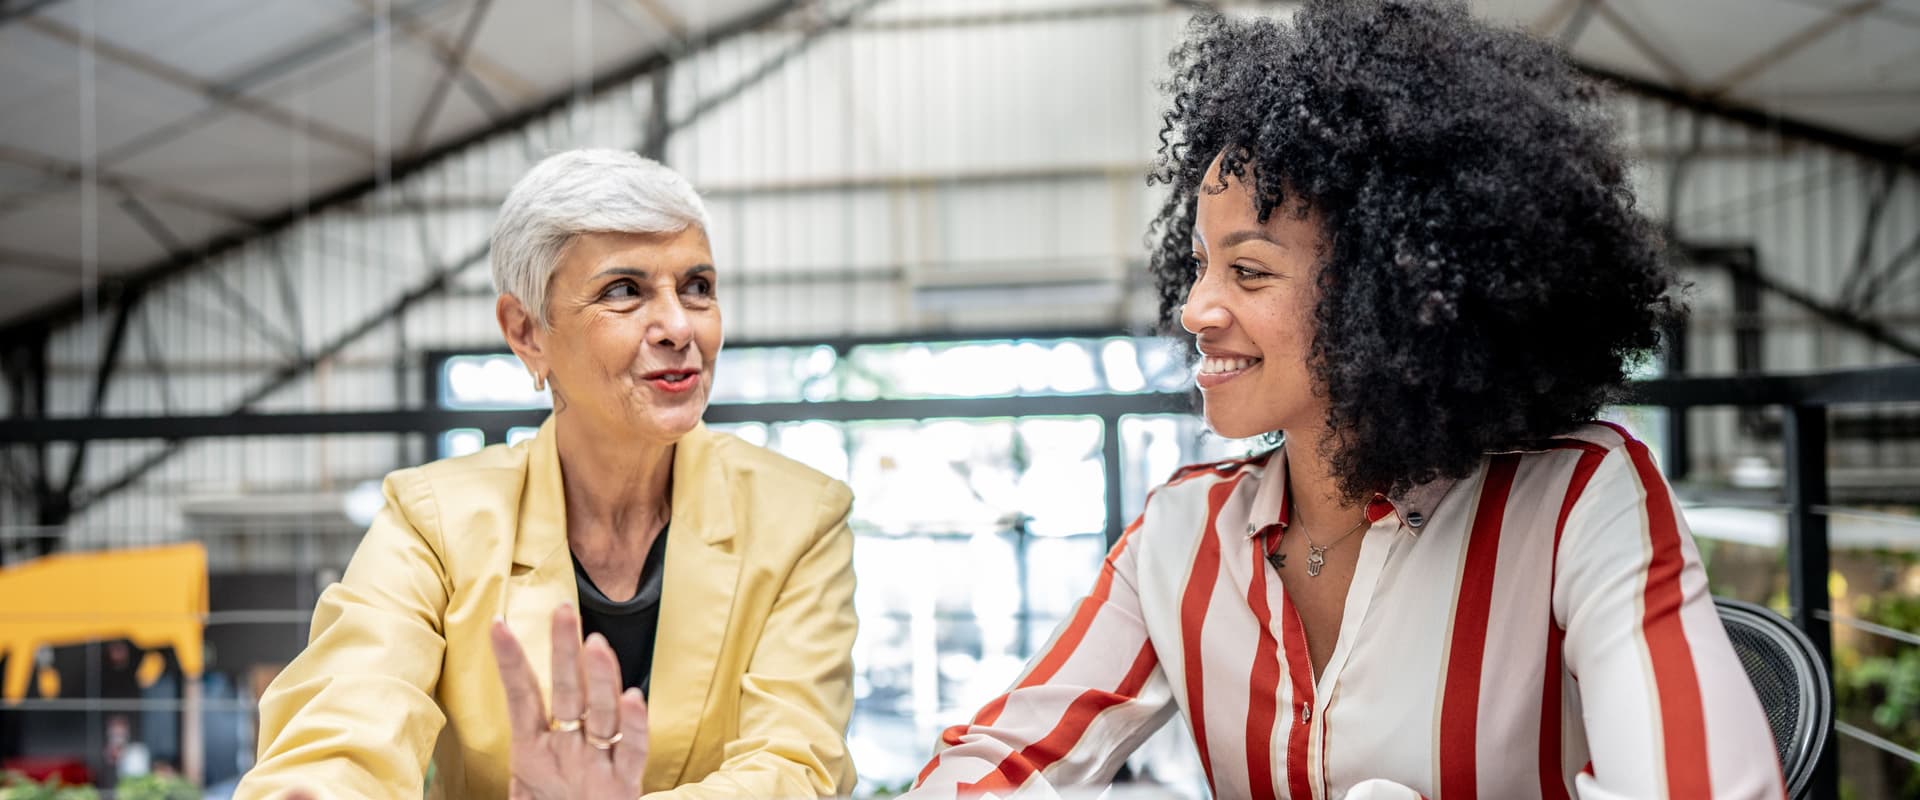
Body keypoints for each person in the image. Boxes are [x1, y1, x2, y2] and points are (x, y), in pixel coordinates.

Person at [909, 2, 1783, 798]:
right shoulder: (1181, 535)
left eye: (1248, 270)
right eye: (1200, 264)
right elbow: (1005, 759)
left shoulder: (1575, 499)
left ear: (1397, 291)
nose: (1194, 309)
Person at [238, 149, 858, 799]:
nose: (679, 325)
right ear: (527, 332)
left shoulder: (800, 520)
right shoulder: (434, 525)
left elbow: (795, 767)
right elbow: (342, 731)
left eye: (697, 286)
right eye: (625, 291)